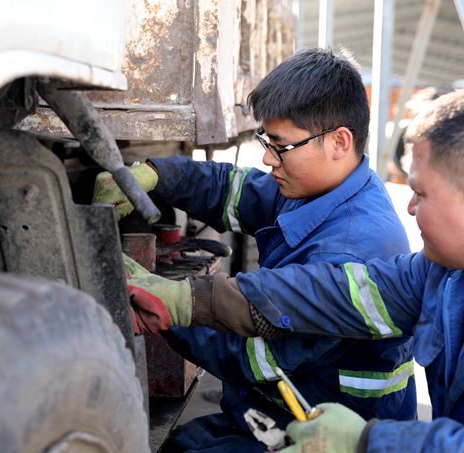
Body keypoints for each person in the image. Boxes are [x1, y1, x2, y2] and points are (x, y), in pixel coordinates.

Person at [130, 82, 464, 452]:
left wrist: (370, 441)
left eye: (420, 194)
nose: (410, 208)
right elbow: (333, 293)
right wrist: (187, 300)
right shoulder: (449, 272)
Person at [95, 48, 418, 452]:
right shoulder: (322, 190)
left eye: (280, 146)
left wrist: (167, 307)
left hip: (319, 434)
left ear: (339, 141)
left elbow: (254, 357)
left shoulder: (353, 250)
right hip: (271, 410)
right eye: (266, 140)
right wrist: (157, 176)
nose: (268, 158)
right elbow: (233, 191)